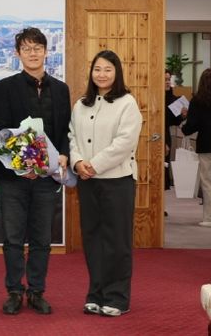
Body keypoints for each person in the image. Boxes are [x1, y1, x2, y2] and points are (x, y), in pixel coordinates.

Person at [0, 27, 70, 316]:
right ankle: (14, 291)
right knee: (13, 238)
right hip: (15, 177)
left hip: (47, 178)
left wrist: (63, 154)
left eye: (37, 48)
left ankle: (37, 291)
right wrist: (22, 166)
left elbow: (65, 130)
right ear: (18, 54)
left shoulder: (60, 89)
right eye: (26, 48)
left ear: (46, 52)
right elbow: (1, 129)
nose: (33, 53)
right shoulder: (6, 86)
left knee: (41, 239)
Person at [68, 49, 142, 317]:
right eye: (97, 69)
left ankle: (117, 298)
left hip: (117, 181)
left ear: (116, 73)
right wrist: (78, 162)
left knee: (117, 241)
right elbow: (72, 136)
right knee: (93, 238)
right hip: (87, 181)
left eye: (108, 70)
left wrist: (94, 165)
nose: (102, 74)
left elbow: (125, 143)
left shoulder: (127, 103)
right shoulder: (81, 104)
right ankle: (96, 294)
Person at [182, 68, 211, 227]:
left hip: (206, 145)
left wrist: (184, 125)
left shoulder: (198, 101)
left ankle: (209, 217)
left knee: (207, 183)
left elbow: (191, 126)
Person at [165, 70, 187, 191]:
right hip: (157, 134)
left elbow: (174, 121)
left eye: (168, 79)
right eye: (165, 80)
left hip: (166, 134)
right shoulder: (155, 98)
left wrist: (183, 116)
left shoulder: (172, 98)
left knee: (165, 165)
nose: (167, 82)